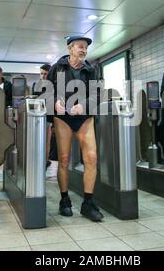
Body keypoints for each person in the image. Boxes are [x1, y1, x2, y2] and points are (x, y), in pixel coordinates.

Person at [47, 35, 104, 222]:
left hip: (84, 117)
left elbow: (97, 95)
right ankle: (65, 200)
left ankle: (88, 203)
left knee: (92, 158)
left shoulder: (91, 70)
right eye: (80, 46)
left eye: (85, 47)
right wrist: (55, 101)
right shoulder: (57, 68)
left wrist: (84, 105)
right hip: (63, 117)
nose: (83, 50)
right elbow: (46, 90)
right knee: (63, 159)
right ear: (70, 48)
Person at [31, 63, 57, 179]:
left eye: (45, 74)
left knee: (47, 141)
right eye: (41, 73)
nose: (43, 76)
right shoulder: (36, 85)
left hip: (49, 116)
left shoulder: (55, 85)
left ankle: (45, 162)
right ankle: (38, 162)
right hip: (37, 115)